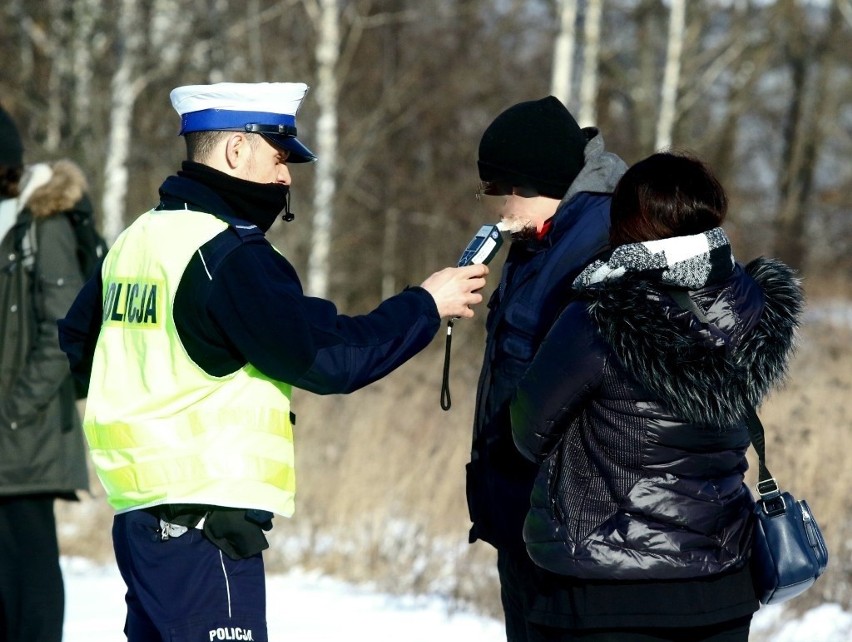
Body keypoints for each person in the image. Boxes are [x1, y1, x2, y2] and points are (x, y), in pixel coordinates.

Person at [57, 81, 488, 642]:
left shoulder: (137, 239)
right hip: (206, 526)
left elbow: (76, 353)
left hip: (142, 518)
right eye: (280, 156)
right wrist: (426, 306)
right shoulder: (227, 255)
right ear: (237, 150)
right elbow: (330, 360)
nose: (286, 177)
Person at [510, 151, 803, 640]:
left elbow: (526, 430)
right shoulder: (753, 306)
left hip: (608, 586)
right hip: (722, 582)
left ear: (626, 222)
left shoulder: (599, 317)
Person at [465, 95, 627, 640]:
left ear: (531, 181)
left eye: (494, 188)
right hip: (526, 525)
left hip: (571, 539)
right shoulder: (543, 241)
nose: (492, 205)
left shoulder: (603, 243)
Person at [0, 104, 91, 641]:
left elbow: (61, 331)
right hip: (9, 437)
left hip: (25, 440)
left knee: (30, 588)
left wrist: (11, 413)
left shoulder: (43, 225)